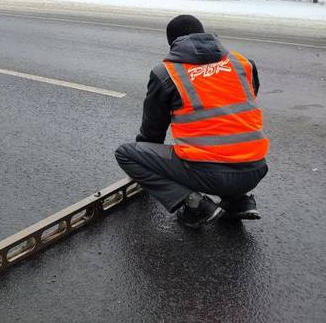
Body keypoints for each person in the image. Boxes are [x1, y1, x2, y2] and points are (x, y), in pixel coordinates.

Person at [115, 15, 269, 228]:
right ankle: (238, 200)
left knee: (126, 153)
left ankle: (195, 205)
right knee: (224, 146)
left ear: (174, 44)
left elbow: (153, 132)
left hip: (211, 175)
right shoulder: (243, 63)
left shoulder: (167, 73)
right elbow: (242, 110)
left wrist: (148, 165)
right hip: (256, 169)